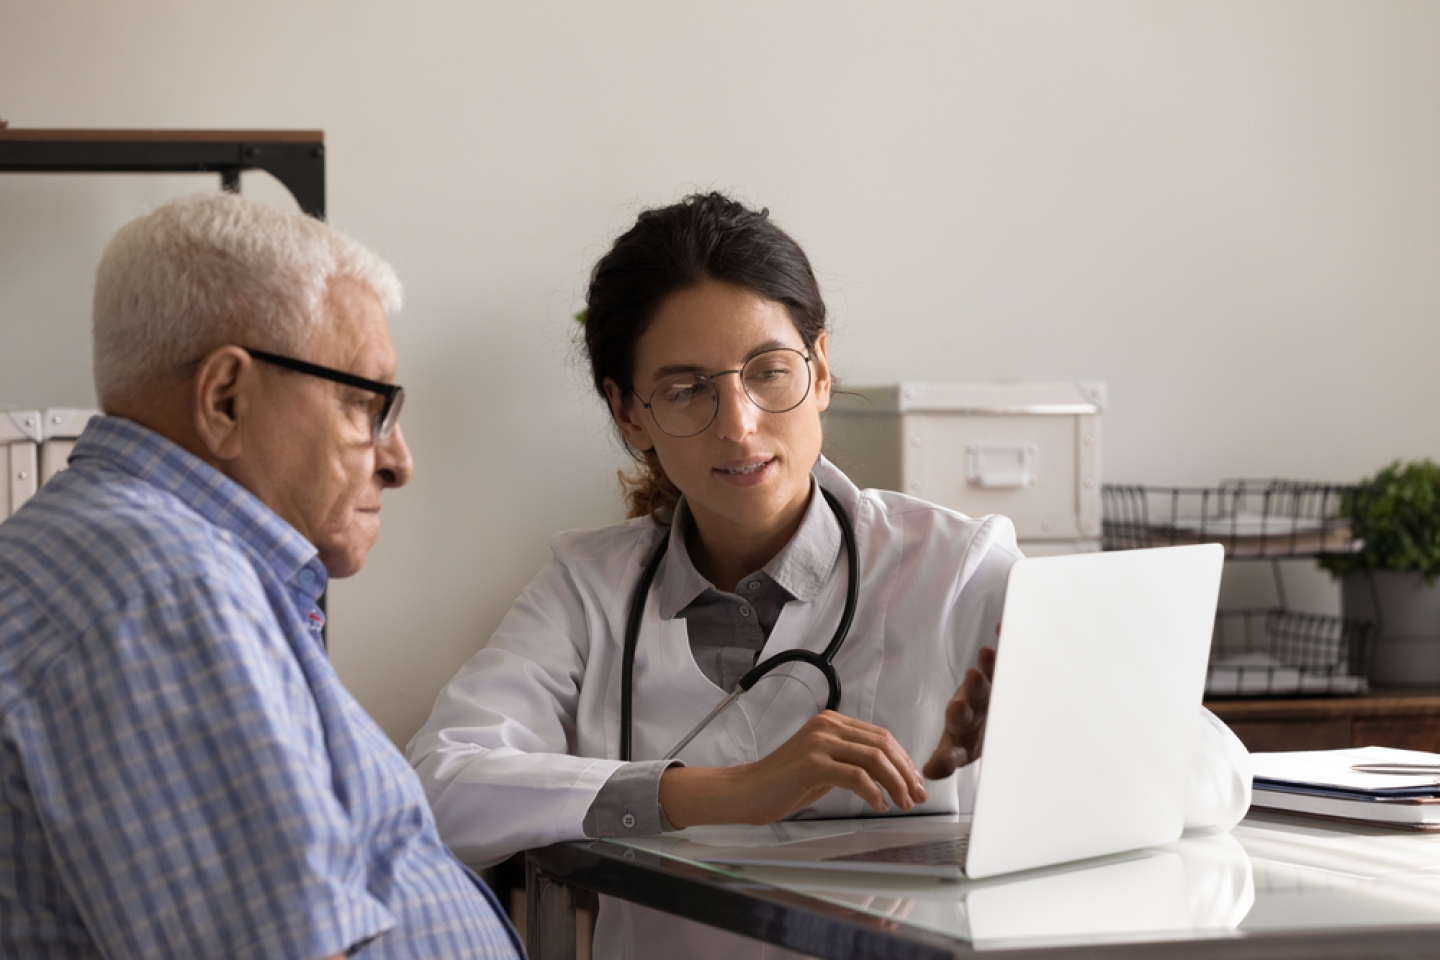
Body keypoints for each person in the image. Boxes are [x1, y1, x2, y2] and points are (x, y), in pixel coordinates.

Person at [407, 192, 1251, 958]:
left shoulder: (954, 568)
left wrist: (1047, 738)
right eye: (686, 388)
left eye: (769, 371)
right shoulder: (588, 588)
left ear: (820, 369)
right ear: (630, 412)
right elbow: (437, 788)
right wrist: (723, 792)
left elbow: (1218, 771)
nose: (738, 426)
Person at [0, 193, 522, 960]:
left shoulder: (124, 563)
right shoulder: (165, 588)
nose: (398, 460)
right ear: (226, 399)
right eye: (364, 403)